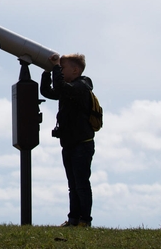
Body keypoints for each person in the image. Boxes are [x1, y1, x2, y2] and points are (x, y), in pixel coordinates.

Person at [40, 53, 95, 227]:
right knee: (73, 185)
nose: (61, 71)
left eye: (63, 68)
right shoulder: (69, 88)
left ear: (76, 70)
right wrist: (47, 72)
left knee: (81, 185)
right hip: (69, 144)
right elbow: (47, 91)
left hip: (82, 144)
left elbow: (61, 88)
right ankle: (73, 219)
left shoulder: (81, 86)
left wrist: (55, 68)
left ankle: (84, 220)